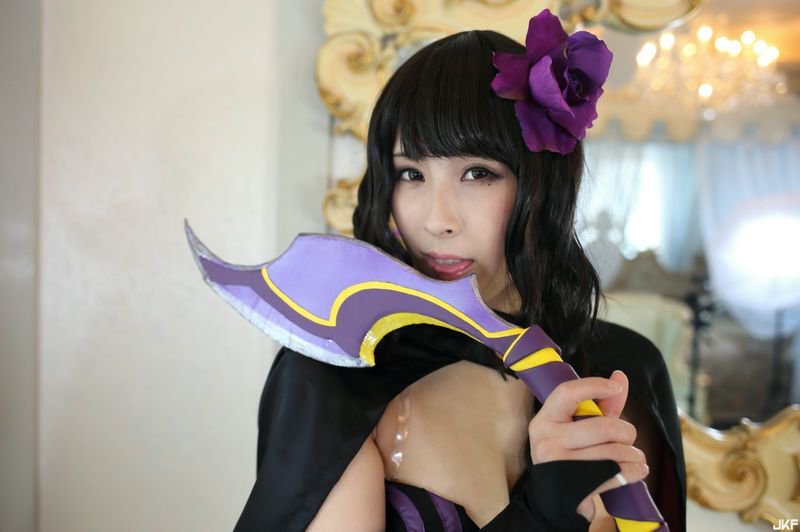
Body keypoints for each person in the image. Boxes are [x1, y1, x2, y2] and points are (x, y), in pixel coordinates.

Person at [234, 10, 685, 532]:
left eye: (476, 173)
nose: (437, 220)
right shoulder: (338, 375)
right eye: (411, 174)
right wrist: (544, 513)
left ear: (543, 187)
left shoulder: (624, 371)